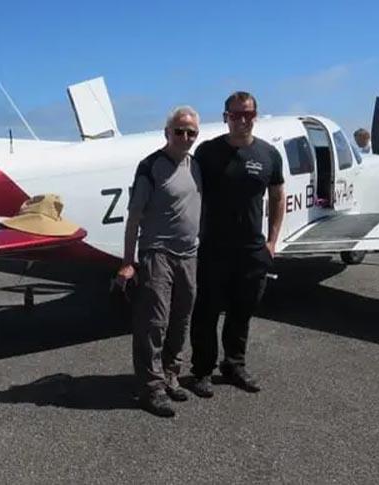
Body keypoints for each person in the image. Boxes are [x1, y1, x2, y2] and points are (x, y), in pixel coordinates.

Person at [189, 91, 285, 398]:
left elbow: (278, 195)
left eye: (247, 114)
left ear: (255, 116)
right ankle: (202, 370)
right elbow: (188, 190)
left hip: (252, 248)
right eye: (235, 114)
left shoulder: (269, 154)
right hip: (214, 246)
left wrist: (271, 240)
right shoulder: (207, 152)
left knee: (242, 311)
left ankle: (234, 365)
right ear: (225, 117)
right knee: (205, 311)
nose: (242, 120)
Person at [116, 106, 202, 417]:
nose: (185, 137)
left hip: (189, 254)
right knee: (153, 323)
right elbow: (134, 218)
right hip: (157, 255)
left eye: (191, 132)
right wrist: (128, 262)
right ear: (167, 132)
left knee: (181, 319)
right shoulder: (150, 166)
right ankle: (150, 389)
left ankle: (170, 374)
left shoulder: (196, 165)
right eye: (179, 131)